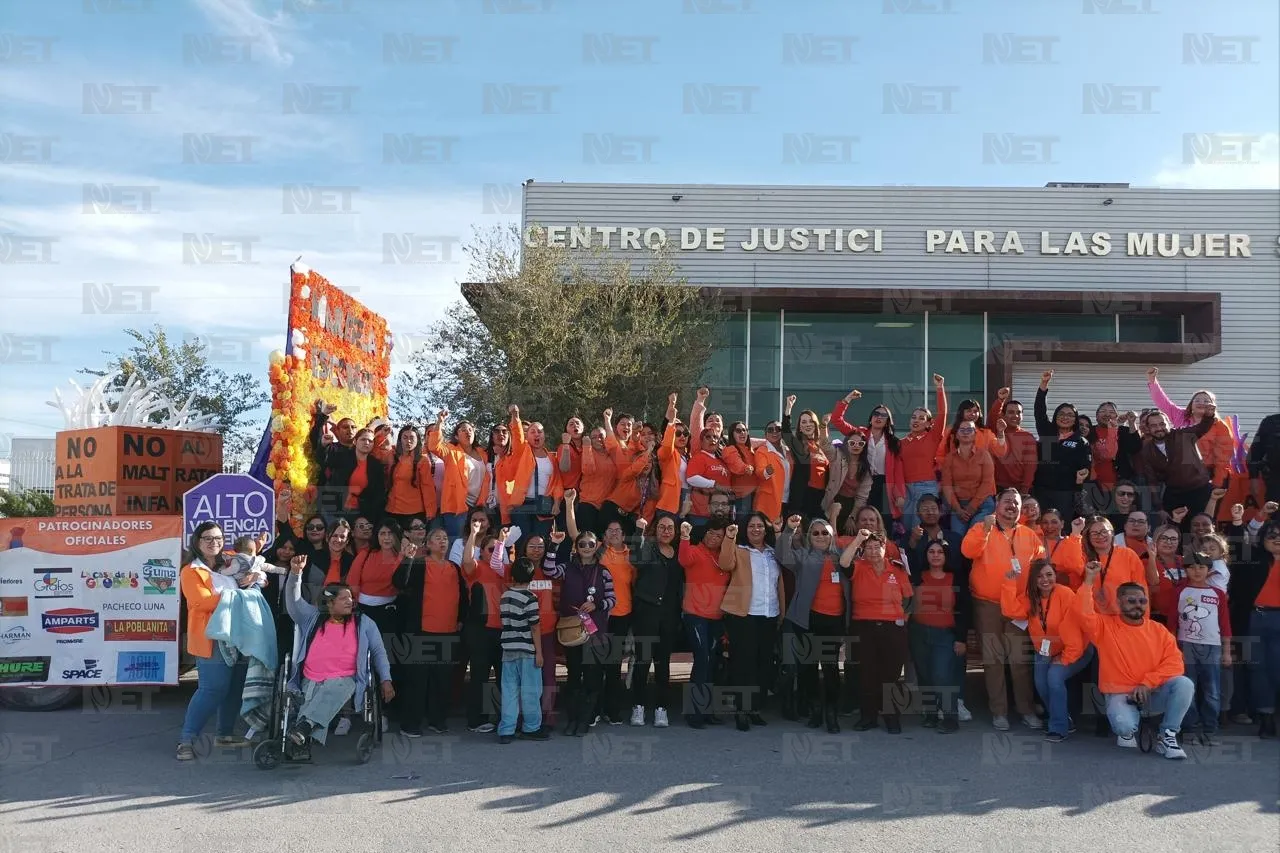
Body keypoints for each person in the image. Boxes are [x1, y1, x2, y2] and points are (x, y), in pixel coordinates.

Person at [1076, 567, 1193, 759]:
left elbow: (1175, 663)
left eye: (1142, 601)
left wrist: (1147, 683)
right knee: (1124, 726)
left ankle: (1167, 735)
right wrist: (1089, 579)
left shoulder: (1159, 630)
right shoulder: (1103, 627)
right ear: (1119, 602)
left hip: (1153, 692)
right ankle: (1130, 726)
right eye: (1131, 600)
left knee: (1184, 684)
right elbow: (1083, 612)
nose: (1137, 605)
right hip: (1120, 695)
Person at [176, 522, 263, 760]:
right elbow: (201, 602)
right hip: (211, 638)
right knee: (212, 689)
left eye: (218, 538)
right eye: (208, 538)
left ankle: (225, 733)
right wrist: (239, 595)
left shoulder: (232, 559)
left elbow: (256, 567)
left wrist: (256, 578)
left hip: (239, 635)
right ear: (197, 541)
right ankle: (186, 739)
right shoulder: (190, 571)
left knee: (235, 686)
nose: (214, 543)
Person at [961, 488, 1045, 731]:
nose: (1011, 506)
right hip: (988, 604)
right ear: (996, 505)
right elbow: (968, 551)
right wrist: (985, 531)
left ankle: (1026, 710)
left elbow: (1040, 568)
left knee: (1020, 660)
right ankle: (999, 712)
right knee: (993, 659)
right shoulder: (981, 528)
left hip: (1018, 605)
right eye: (1007, 501)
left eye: (1016, 503)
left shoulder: (1030, 535)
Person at [282, 571, 394, 749]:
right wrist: (295, 575)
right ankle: (301, 739)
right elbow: (294, 603)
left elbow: (379, 652)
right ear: (330, 603)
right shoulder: (313, 618)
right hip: (311, 677)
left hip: (346, 679)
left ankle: (304, 728)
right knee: (312, 695)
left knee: (332, 689)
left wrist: (386, 679)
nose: (350, 601)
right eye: (344, 598)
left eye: (350, 598)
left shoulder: (364, 623)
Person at [546, 496, 616, 736]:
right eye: (582, 544)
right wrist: (555, 546)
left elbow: (612, 600)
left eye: (590, 544)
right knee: (574, 677)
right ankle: (572, 720)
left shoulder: (604, 571)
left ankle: (585, 721)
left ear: (597, 546)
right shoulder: (568, 567)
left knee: (593, 678)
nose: (586, 547)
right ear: (576, 547)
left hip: (595, 631)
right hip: (572, 629)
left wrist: (596, 606)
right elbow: (549, 570)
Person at [1001, 558, 1092, 742]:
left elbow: (1075, 631)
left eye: (1049, 575)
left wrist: (1066, 658)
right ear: (1033, 579)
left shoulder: (1065, 594)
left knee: (1054, 678)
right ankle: (1063, 718)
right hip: (1045, 651)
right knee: (1041, 683)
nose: (1045, 580)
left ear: (1055, 576)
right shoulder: (1031, 598)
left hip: (1075, 649)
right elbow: (1012, 610)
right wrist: (1010, 581)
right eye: (1039, 576)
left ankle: (1058, 728)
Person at [776, 515, 847, 732]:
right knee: (807, 668)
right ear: (809, 536)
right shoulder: (803, 556)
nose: (820, 536)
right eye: (815, 533)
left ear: (832, 535)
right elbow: (782, 555)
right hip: (807, 620)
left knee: (831, 668)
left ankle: (831, 712)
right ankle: (816, 710)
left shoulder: (842, 557)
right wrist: (789, 530)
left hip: (834, 620)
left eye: (825, 532)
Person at [392, 527, 465, 737]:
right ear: (429, 544)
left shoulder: (454, 567)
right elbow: (399, 582)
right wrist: (407, 559)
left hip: (448, 631)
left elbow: (463, 595)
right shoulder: (419, 563)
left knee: (442, 681)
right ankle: (410, 724)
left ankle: (437, 720)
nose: (442, 541)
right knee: (417, 681)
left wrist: (460, 619)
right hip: (421, 631)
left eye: (445, 538)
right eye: (437, 538)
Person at [718, 512, 786, 731]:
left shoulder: (773, 553)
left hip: (770, 614)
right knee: (743, 665)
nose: (756, 529)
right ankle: (741, 711)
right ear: (745, 529)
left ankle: (755, 708)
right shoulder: (740, 550)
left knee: (763, 665)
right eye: (751, 526)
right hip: (744, 615)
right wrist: (729, 537)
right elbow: (725, 564)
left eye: (759, 526)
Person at [840, 529, 913, 733]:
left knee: (890, 675)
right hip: (864, 626)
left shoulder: (897, 569)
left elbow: (909, 598)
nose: (872, 551)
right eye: (868, 548)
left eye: (876, 547)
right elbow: (843, 563)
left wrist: (902, 621)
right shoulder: (859, 566)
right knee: (867, 675)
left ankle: (891, 717)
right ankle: (868, 717)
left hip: (893, 628)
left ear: (885, 548)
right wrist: (858, 541)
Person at [909, 538, 970, 733]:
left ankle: (950, 717)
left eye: (940, 552)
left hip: (945, 635)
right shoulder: (917, 576)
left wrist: (961, 639)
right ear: (925, 555)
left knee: (941, 675)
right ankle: (931, 714)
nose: (935, 555)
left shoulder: (956, 578)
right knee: (924, 675)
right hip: (918, 631)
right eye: (931, 552)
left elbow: (965, 610)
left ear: (946, 556)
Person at [1171, 552, 1232, 745]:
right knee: (1189, 687)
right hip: (1185, 645)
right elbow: (1172, 623)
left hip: (1212, 646)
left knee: (1211, 690)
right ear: (1186, 570)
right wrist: (1172, 648)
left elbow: (1225, 623)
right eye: (1192, 567)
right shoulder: (1180, 591)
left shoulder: (1218, 594)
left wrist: (1227, 651)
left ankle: (1209, 730)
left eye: (1201, 567)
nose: (1197, 571)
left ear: (1209, 570)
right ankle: (1189, 729)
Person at [629, 515, 683, 729]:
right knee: (642, 662)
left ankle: (662, 709)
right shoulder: (648, 548)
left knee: (663, 665)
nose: (666, 531)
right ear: (656, 530)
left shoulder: (679, 553)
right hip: (647, 612)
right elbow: (635, 559)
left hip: (670, 614)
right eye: (662, 527)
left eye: (670, 528)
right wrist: (638, 532)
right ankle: (638, 707)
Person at [679, 516, 732, 729]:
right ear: (706, 532)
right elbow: (683, 560)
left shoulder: (724, 557)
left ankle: (707, 711)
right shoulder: (694, 550)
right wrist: (684, 536)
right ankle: (695, 713)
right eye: (711, 533)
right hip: (695, 615)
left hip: (717, 618)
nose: (714, 538)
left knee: (711, 663)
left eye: (719, 536)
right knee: (702, 660)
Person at [1146, 367, 1236, 489]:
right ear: (1191, 405)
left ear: (1213, 406)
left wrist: (1216, 483)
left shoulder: (1219, 426)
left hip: (1208, 476)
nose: (1201, 402)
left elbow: (1223, 459)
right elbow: (1163, 402)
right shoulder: (1180, 416)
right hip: (1179, 476)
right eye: (1197, 400)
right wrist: (1152, 380)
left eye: (1206, 400)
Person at [1231, 518, 1280, 738]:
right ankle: (1266, 717)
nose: (1277, 539)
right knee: (1258, 670)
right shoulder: (1252, 558)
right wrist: (1237, 521)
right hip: (1255, 619)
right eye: (1271, 535)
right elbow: (1236, 544)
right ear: (1262, 539)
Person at [460, 520, 509, 734]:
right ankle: (476, 720)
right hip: (480, 630)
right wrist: (473, 533)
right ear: (482, 551)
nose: (495, 551)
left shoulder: (505, 569)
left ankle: (501, 717)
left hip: (503, 630)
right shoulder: (477, 568)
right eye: (491, 548)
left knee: (502, 677)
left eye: (498, 548)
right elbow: (467, 559)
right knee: (479, 676)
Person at [496, 557, 549, 743]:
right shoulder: (530, 598)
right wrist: (539, 653)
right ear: (531, 577)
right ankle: (531, 726)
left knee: (509, 691)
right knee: (531, 691)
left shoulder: (505, 596)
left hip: (508, 649)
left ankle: (506, 729)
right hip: (527, 649)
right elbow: (534, 626)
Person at [1032, 370, 1093, 523]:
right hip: (1040, 491)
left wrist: (1081, 480)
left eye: (1070, 415)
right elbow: (1039, 411)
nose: (1065, 417)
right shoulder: (1047, 432)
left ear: (1075, 420)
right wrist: (1043, 386)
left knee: (1060, 529)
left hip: (1065, 494)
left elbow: (1085, 469)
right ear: (1055, 416)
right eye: (1061, 414)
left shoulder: (1081, 442)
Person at [1135, 409, 1218, 520]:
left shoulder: (1183, 434)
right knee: (1178, 530)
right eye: (1154, 425)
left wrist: (1208, 415)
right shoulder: (1146, 451)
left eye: (1162, 424)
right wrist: (1159, 508)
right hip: (1175, 494)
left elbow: (1202, 427)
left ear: (1169, 424)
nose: (1159, 428)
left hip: (1200, 489)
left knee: (1203, 527)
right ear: (1148, 429)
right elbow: (1152, 481)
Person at [500, 405, 564, 550]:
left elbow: (557, 483)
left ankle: (539, 572)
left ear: (544, 436)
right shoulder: (522, 451)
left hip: (544, 504)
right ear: (527, 436)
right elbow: (517, 435)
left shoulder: (552, 458)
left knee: (540, 543)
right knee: (523, 544)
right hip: (522, 504)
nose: (536, 434)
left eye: (540, 431)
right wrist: (515, 416)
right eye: (532, 431)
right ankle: (523, 571)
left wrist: (556, 503)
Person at [1058, 517, 1148, 614]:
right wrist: (1076, 533)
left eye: (1104, 531)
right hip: (1092, 619)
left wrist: (1141, 621)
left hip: (1123, 619)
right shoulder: (1083, 555)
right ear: (1088, 537)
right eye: (1094, 533)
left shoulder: (1128, 555)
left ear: (1112, 533)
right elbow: (1072, 566)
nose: (1100, 536)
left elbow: (1141, 590)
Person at [429, 410, 491, 540]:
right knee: (457, 541)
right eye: (463, 430)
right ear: (456, 436)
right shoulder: (451, 451)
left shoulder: (482, 453)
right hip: (456, 507)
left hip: (478, 506)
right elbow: (434, 446)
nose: (468, 432)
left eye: (470, 429)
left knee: (477, 542)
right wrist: (440, 421)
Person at [523, 533, 561, 728]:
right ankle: (529, 716)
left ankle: (548, 715)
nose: (536, 550)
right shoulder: (518, 570)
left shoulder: (550, 572)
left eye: (540, 546)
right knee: (527, 676)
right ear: (524, 548)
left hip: (547, 631)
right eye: (532, 546)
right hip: (524, 633)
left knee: (548, 675)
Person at [940, 420, 996, 536]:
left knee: (975, 531)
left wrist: (972, 506)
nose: (966, 432)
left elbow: (987, 483)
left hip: (982, 503)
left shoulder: (984, 455)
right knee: (957, 537)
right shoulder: (949, 458)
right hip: (958, 505)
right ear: (957, 435)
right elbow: (947, 486)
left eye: (969, 430)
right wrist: (958, 509)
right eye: (962, 430)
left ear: (975, 434)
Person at [781, 395, 829, 521]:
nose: (808, 424)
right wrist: (788, 408)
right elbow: (785, 432)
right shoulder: (799, 445)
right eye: (804, 422)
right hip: (804, 497)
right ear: (800, 428)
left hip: (820, 497)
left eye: (810, 421)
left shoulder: (820, 446)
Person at [384, 424, 437, 530]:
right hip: (391, 509)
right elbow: (375, 453)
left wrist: (430, 511)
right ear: (399, 440)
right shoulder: (391, 456)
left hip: (413, 511)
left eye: (412, 437)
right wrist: (381, 435)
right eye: (405, 437)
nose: (408, 441)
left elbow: (427, 487)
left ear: (417, 440)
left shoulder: (422, 460)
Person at [821, 427, 871, 534]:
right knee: (828, 534)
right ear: (846, 444)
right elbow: (824, 445)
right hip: (832, 500)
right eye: (852, 443)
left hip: (852, 506)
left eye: (860, 444)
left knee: (849, 532)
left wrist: (852, 517)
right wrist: (823, 426)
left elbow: (862, 497)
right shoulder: (837, 456)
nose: (856, 446)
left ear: (864, 447)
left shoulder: (865, 469)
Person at [988, 389, 1037, 497]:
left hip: (1019, 489)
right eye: (1011, 412)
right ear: (1003, 415)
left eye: (1019, 412)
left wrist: (1024, 490)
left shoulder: (1028, 437)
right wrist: (1000, 400)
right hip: (996, 487)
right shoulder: (996, 431)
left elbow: (1030, 467)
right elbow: (992, 417)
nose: (1015, 415)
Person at [686, 428, 732, 532]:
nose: (712, 439)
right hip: (701, 513)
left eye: (715, 437)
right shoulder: (699, 457)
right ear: (701, 441)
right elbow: (691, 478)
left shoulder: (721, 461)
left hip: (721, 513)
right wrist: (714, 484)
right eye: (708, 437)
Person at [301, 520, 356, 605]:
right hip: (312, 609)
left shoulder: (352, 562)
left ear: (347, 540)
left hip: (340, 612)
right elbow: (301, 585)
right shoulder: (312, 557)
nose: (338, 540)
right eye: (335, 535)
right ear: (327, 537)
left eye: (342, 536)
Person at [578, 425, 618, 537]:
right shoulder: (587, 451)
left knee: (603, 541)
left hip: (606, 506)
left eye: (601, 436)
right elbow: (588, 470)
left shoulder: (612, 454)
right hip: (588, 504)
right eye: (594, 437)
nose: (598, 439)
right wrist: (587, 447)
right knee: (589, 540)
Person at [753, 420, 793, 526]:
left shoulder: (788, 451)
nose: (774, 432)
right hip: (769, 500)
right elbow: (760, 472)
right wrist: (767, 471)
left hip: (788, 499)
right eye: (770, 430)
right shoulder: (762, 451)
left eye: (778, 429)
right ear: (765, 434)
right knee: (769, 533)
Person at [723, 422, 759, 520]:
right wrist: (745, 468)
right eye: (738, 431)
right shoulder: (729, 449)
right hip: (742, 498)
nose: (742, 433)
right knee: (742, 527)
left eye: (744, 430)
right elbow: (736, 464)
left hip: (756, 495)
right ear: (732, 434)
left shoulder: (750, 449)